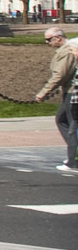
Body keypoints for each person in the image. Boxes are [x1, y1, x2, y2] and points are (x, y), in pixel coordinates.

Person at [34, 27, 77, 174]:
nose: (47, 43)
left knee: (72, 126)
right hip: (70, 91)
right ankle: (73, 152)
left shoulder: (67, 51)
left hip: (73, 93)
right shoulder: (67, 50)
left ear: (58, 38)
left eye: (49, 39)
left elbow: (60, 75)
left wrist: (43, 93)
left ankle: (73, 159)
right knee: (62, 120)